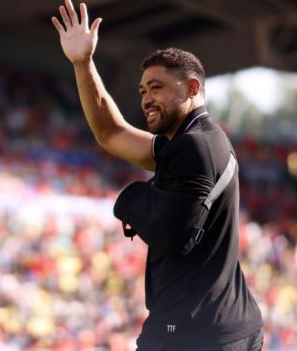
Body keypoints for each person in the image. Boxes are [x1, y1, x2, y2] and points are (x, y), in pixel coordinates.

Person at [51, 1, 264, 350]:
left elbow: (173, 234)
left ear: (192, 89)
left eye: (157, 88)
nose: (147, 99)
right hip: (219, 327)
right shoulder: (194, 141)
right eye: (142, 91)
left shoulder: (195, 147)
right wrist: (82, 63)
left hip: (195, 334)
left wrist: (131, 199)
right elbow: (110, 132)